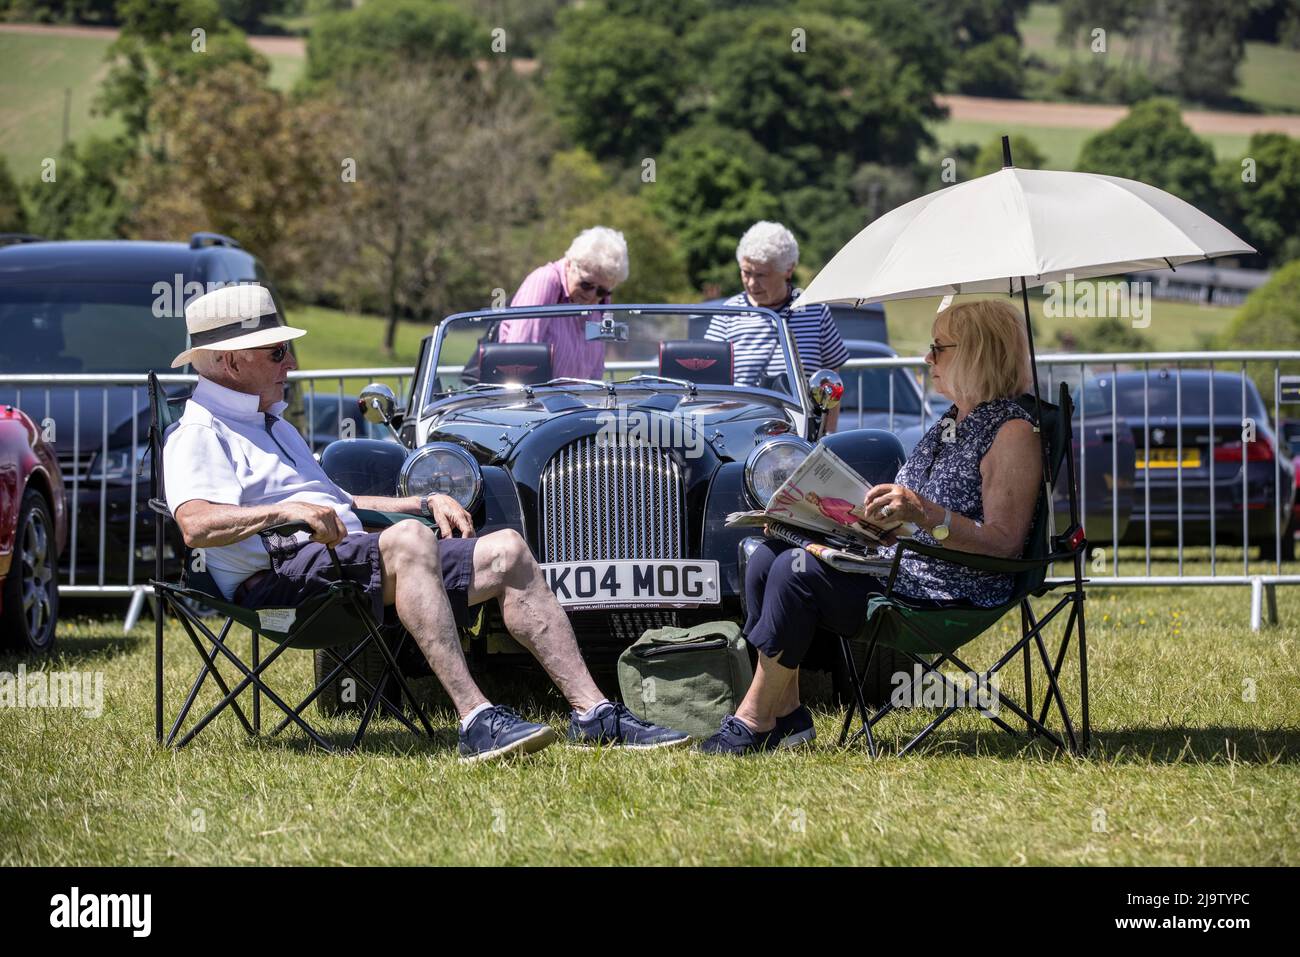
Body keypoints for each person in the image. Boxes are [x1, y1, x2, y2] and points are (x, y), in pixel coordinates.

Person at [165, 285, 688, 763]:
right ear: (232, 361)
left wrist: (423, 500)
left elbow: (339, 501)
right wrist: (285, 511)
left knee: (506, 547)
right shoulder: (200, 432)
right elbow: (196, 524)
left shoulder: (270, 423)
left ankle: (593, 712)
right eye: (277, 351)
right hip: (281, 583)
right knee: (410, 543)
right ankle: (476, 720)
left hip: (339, 561)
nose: (291, 362)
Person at [698, 298, 1043, 755]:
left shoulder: (1013, 432)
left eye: (938, 347)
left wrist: (924, 514)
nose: (927, 358)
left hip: (948, 589)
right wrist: (835, 518)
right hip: (901, 566)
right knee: (766, 557)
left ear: (977, 352)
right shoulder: (953, 421)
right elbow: (910, 512)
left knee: (795, 572)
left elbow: (1004, 542)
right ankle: (788, 715)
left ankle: (753, 718)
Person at [703, 221, 849, 430]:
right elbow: (708, 380)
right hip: (738, 432)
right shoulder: (728, 312)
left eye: (761, 275)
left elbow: (832, 384)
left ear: (788, 270)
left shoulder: (815, 310)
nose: (752, 283)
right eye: (746, 272)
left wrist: (827, 436)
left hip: (798, 436)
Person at [496, 226, 630, 380]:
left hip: (579, 401)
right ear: (570, 265)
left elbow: (596, 367)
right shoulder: (546, 282)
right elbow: (519, 357)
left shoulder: (602, 302)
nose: (592, 295)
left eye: (602, 291)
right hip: (538, 400)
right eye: (586, 285)